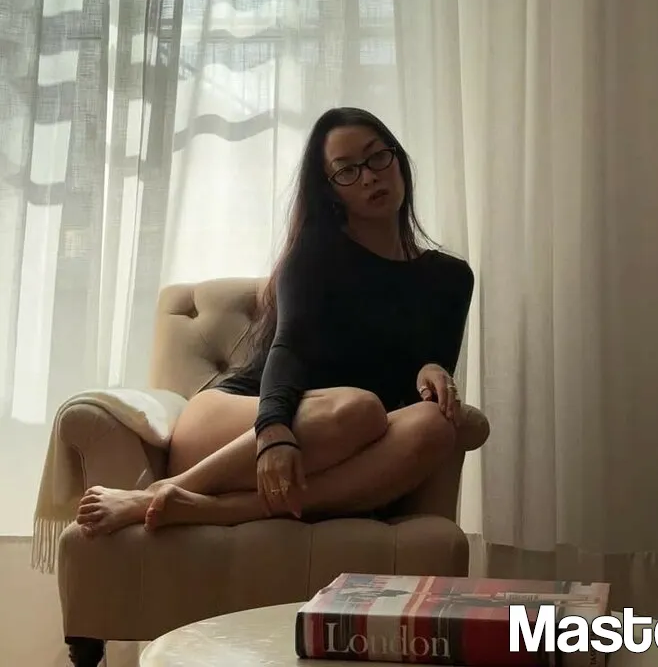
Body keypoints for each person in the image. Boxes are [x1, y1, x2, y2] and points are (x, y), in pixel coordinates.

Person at [76, 107, 475, 535]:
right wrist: (273, 431)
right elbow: (290, 349)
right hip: (237, 421)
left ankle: (215, 510)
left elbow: (420, 392)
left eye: (378, 156)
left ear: (398, 159)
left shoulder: (451, 278)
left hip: (336, 443)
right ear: (330, 190)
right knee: (358, 409)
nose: (369, 177)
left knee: (436, 426)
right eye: (347, 170)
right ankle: (163, 491)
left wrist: (430, 368)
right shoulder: (313, 256)